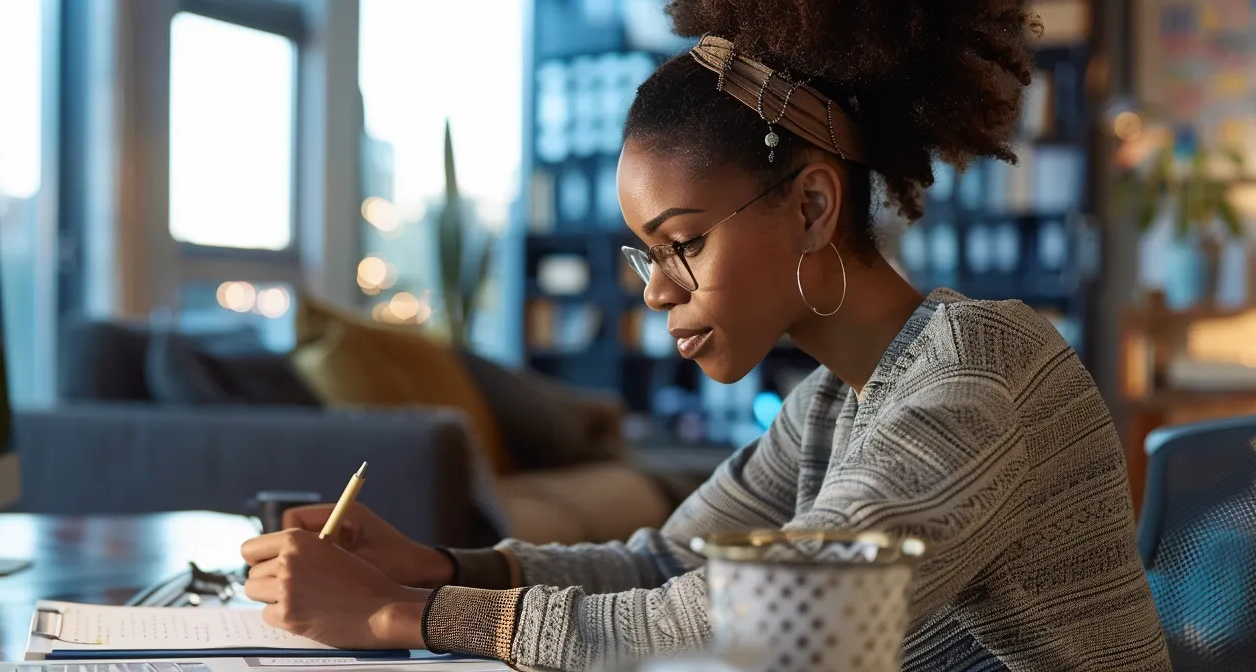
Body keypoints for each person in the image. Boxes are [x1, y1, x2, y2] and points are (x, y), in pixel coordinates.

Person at [238, 0, 1171, 669]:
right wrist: (443, 566)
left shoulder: (972, 384)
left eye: (682, 242)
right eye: (647, 257)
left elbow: (769, 627)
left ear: (812, 205)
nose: (655, 293)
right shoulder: (829, 405)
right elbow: (671, 564)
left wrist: (404, 615)